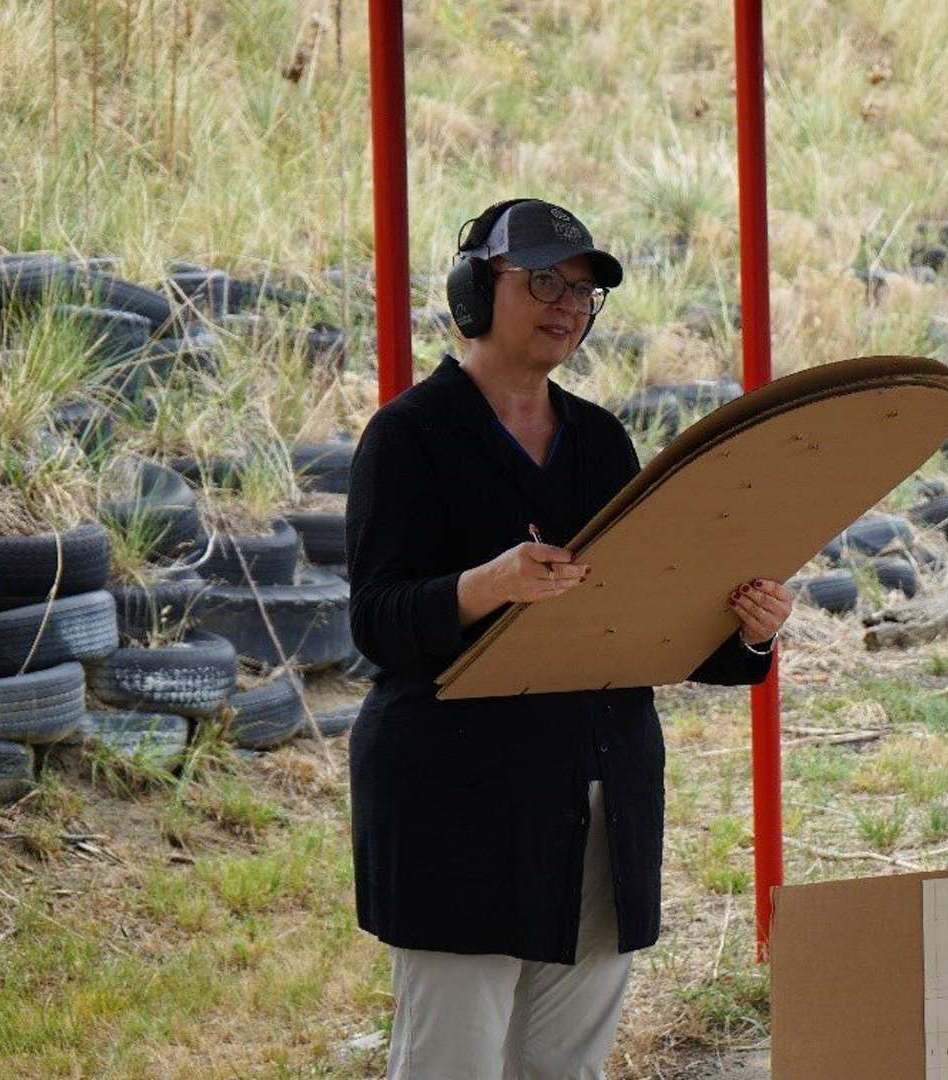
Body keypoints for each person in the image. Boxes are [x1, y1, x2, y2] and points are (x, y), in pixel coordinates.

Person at [345, 198, 794, 1079]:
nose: (567, 303)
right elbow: (377, 621)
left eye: (585, 290)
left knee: (568, 1067)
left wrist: (747, 633)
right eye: (543, 279)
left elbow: (644, 617)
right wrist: (488, 586)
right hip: (459, 804)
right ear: (477, 289)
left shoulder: (599, 439)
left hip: (600, 795)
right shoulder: (407, 437)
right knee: (452, 1063)